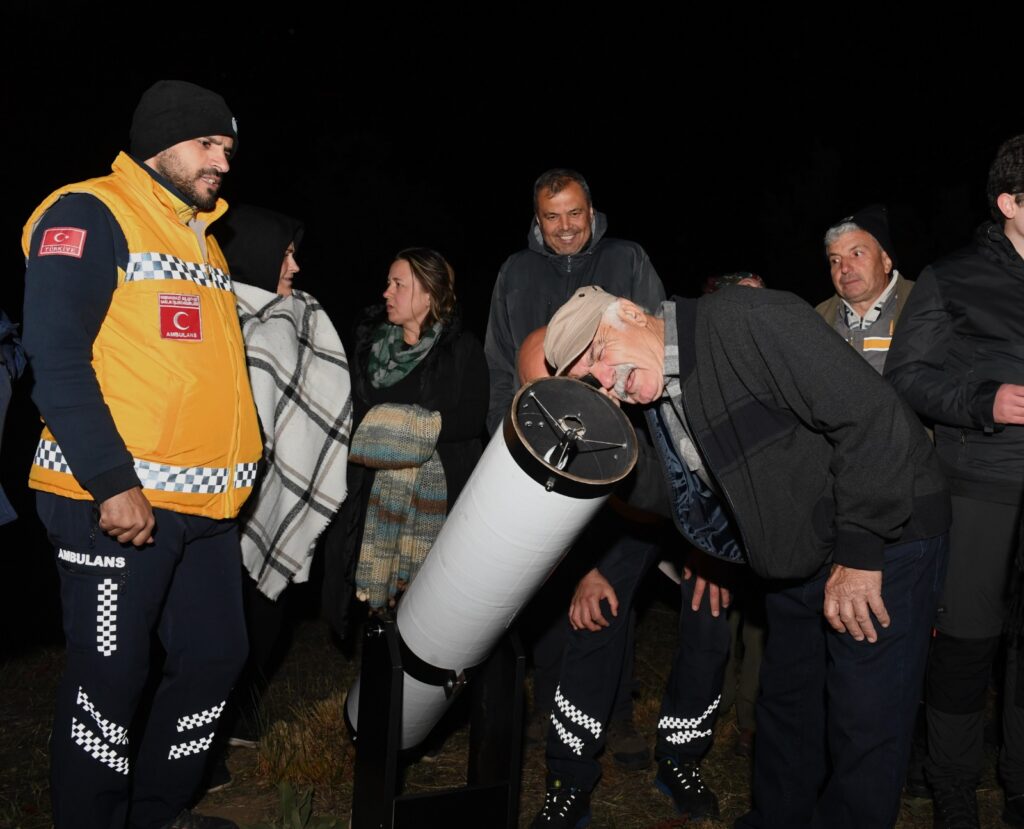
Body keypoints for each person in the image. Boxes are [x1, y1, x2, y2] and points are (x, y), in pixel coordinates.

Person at [541, 285, 950, 829]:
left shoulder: (746, 320)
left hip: (883, 533)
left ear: (632, 314)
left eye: (598, 354)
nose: (605, 380)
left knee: (863, 721)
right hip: (796, 550)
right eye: (589, 382)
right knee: (787, 710)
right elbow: (680, 496)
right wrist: (604, 466)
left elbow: (872, 418)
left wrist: (858, 550)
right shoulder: (659, 397)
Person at [21, 80, 262, 829]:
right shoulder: (90, 213)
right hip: (114, 506)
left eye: (226, 148)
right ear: (161, 140)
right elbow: (55, 356)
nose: (221, 161)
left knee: (217, 659)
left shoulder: (203, 239)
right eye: (207, 145)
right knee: (110, 682)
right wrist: (110, 481)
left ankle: (155, 812)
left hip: (205, 511)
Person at [485, 168, 669, 773]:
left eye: (574, 214)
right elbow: (499, 367)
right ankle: (549, 705)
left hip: (620, 455)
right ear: (536, 219)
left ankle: (615, 716)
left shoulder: (627, 258)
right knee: (551, 580)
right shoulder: (515, 272)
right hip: (540, 454)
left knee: (611, 588)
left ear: (593, 211)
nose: (564, 228)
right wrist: (500, 448)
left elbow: (657, 342)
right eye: (551, 217)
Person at [885, 134, 1024, 828]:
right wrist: (985, 400)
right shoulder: (954, 276)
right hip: (979, 486)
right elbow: (905, 375)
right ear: (1010, 202)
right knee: (968, 647)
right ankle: (955, 792)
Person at [203, 205, 351, 779]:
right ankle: (202, 739)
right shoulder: (219, 312)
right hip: (219, 495)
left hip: (279, 493)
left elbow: (315, 393)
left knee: (268, 612)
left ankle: (239, 716)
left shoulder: (298, 315)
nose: (295, 264)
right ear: (259, 253)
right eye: (285, 253)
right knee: (215, 631)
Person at [322, 248, 487, 631]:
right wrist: (406, 427)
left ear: (429, 294)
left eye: (398, 284)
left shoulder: (462, 349)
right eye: (388, 283)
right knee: (375, 609)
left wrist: (390, 428)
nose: (387, 293)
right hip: (368, 494)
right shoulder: (369, 348)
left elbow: (468, 421)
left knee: (430, 606)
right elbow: (351, 416)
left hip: (440, 494)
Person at [816, 204, 914, 374]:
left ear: (886, 261)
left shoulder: (924, 305)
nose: (844, 268)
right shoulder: (817, 320)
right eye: (835, 261)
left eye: (856, 254)